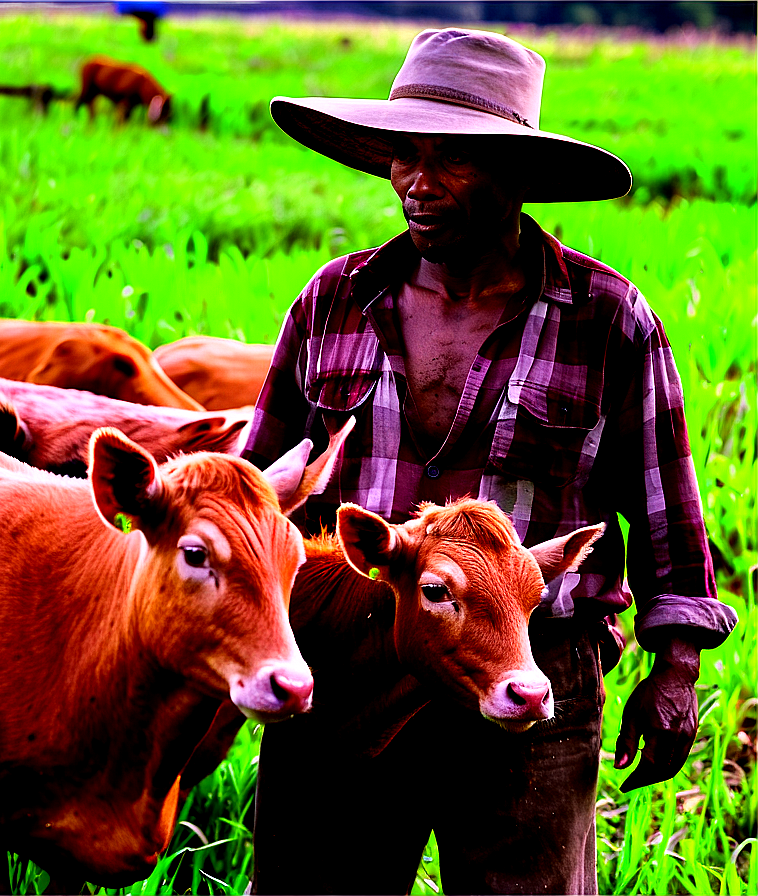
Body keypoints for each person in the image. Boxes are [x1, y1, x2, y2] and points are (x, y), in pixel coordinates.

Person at [240, 28, 738, 895]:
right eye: (403, 157)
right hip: (351, 671)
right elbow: (259, 492)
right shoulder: (335, 301)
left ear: (517, 175)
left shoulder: (607, 319)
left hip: (532, 669)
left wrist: (677, 671)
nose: (416, 187)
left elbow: (667, 508)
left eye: (452, 163)